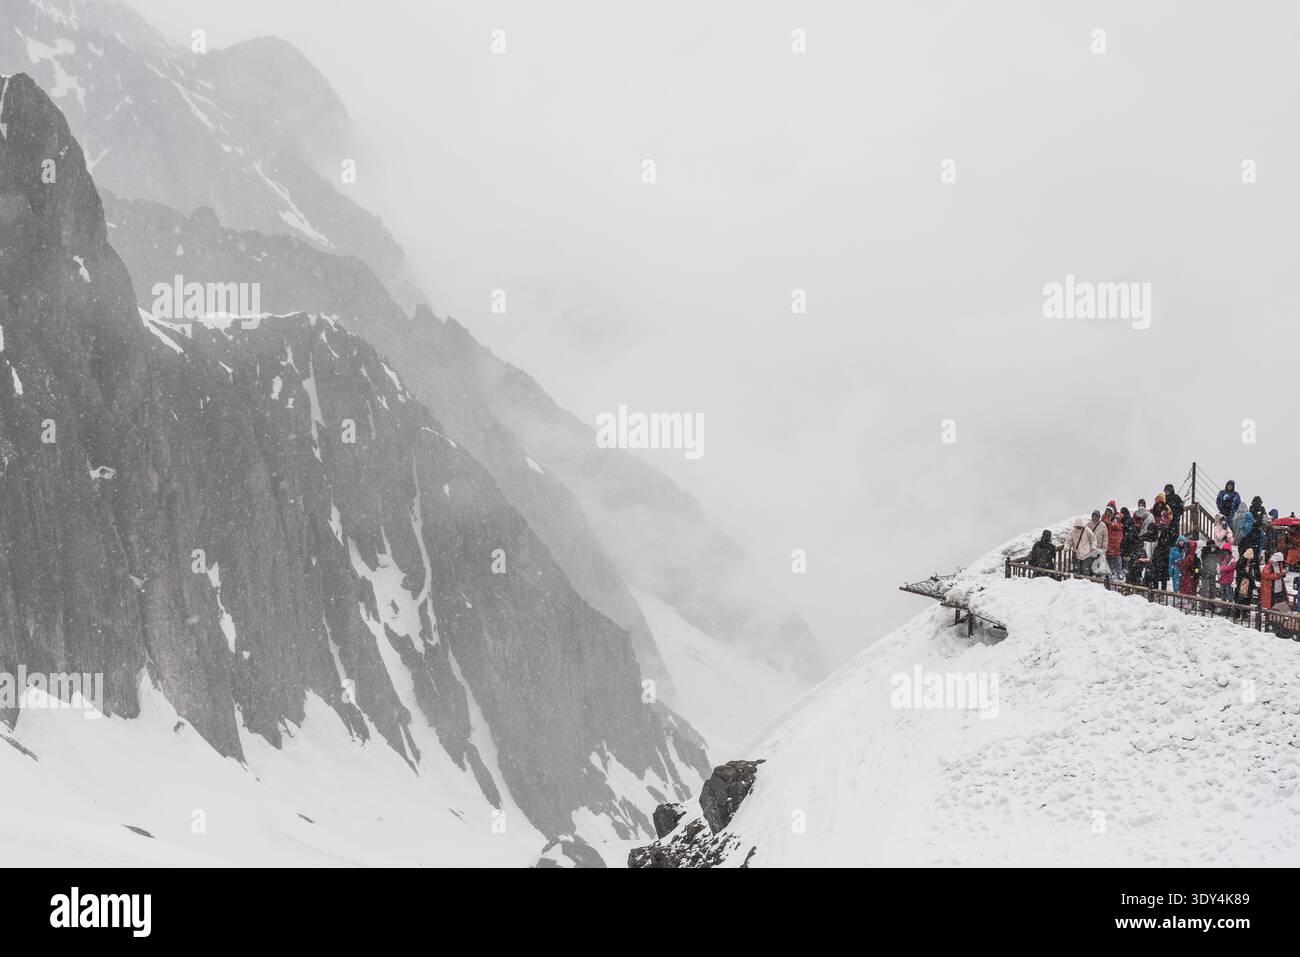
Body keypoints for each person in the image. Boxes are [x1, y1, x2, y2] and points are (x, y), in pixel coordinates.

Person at [1234, 548, 1259, 621]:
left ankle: (1243, 614)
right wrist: (1248, 576)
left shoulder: (1248, 563)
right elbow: (1242, 573)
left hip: (1246, 583)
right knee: (1242, 600)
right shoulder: (1242, 563)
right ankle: (1239, 614)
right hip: (1243, 582)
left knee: (1245, 600)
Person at [1102, 504, 1124, 580]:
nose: (1108, 512)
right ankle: (1109, 574)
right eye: (1107, 510)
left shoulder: (1117, 517)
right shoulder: (1104, 517)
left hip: (1115, 541)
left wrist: (1110, 524)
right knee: (1109, 558)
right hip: (1108, 541)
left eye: (1110, 510)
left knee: (1117, 558)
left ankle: (1119, 574)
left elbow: (1119, 527)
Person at [1217, 544, 1237, 611]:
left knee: (1229, 594)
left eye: (1226, 551)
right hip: (1223, 579)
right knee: (1223, 594)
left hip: (1228, 580)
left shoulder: (1232, 559)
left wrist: (1222, 568)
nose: (1225, 552)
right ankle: (1224, 606)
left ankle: (1229, 607)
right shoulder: (1223, 558)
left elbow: (1231, 567)